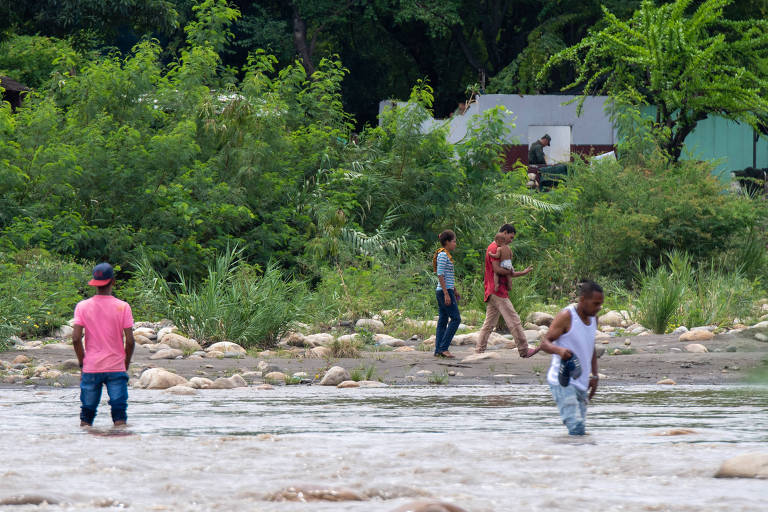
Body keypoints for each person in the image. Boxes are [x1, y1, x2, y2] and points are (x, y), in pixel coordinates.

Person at [72, 262, 135, 427]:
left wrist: (82, 363)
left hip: (91, 367)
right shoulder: (123, 307)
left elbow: (76, 339)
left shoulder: (82, 307)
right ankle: (119, 449)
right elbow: (130, 341)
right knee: (120, 416)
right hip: (116, 367)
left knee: (86, 416)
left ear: (94, 282)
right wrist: (125, 364)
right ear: (113, 281)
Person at [539, 281, 604, 435]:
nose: (598, 308)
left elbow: (590, 347)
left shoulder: (594, 318)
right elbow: (544, 343)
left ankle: (570, 456)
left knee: (578, 431)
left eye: (600, 304)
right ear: (582, 300)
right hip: (562, 381)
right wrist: (559, 350)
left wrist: (594, 375)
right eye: (595, 304)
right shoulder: (567, 316)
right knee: (577, 428)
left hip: (581, 383)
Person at [475, 224, 538, 357]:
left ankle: (479, 350)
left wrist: (523, 272)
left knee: (488, 324)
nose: (511, 240)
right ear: (504, 233)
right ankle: (524, 350)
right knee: (514, 320)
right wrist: (512, 272)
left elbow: (508, 272)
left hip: (493, 291)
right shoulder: (494, 248)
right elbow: (498, 270)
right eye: (511, 237)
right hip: (497, 291)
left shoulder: (501, 248)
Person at [432, 229, 461, 358]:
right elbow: (440, 274)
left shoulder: (445, 254)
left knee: (443, 320)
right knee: (456, 319)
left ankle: (438, 349)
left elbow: (447, 276)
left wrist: (453, 290)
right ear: (447, 242)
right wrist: (446, 293)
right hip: (443, 291)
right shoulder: (443, 255)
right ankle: (444, 348)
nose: (455, 244)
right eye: (454, 241)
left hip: (446, 290)